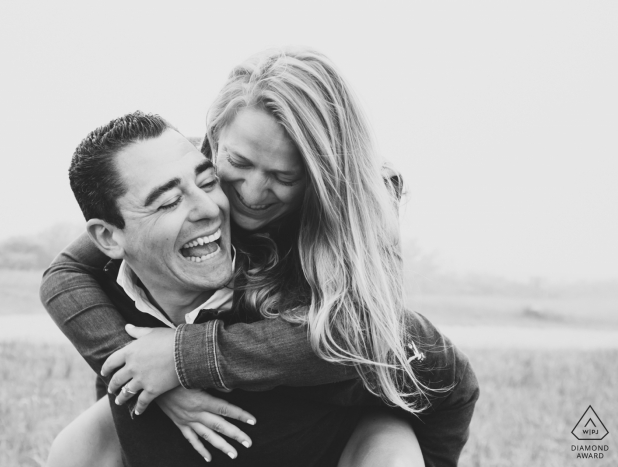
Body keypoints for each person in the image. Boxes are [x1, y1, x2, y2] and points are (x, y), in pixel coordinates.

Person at [41, 47, 479, 467]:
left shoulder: (356, 213)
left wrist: (183, 358)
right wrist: (142, 370)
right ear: (214, 138)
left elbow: (360, 330)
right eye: (237, 162)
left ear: (320, 176)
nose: (249, 194)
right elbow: (65, 274)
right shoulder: (183, 171)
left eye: (282, 176)